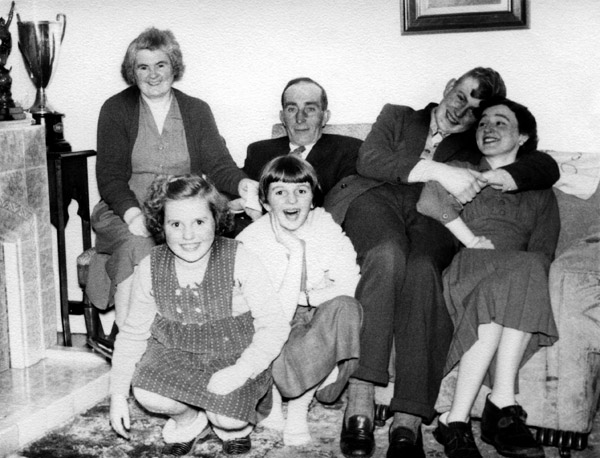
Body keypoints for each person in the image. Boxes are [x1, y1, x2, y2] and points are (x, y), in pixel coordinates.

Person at [324, 68, 560, 458]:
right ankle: (361, 403)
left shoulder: (475, 145)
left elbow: (543, 166)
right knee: (388, 255)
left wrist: (498, 175)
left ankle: (409, 419)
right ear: (449, 87)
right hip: (375, 197)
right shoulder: (399, 115)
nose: (462, 110)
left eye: (474, 109)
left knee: (422, 271)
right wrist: (440, 171)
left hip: (429, 215)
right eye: (461, 96)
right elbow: (371, 159)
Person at [416, 98, 559, 458]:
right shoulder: (460, 169)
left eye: (500, 123)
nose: (488, 129)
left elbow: (544, 250)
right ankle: (502, 406)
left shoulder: (540, 191)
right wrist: (472, 240)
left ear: (523, 137)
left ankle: (458, 420)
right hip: (467, 267)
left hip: (515, 277)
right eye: (482, 124)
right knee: (522, 271)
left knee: (530, 266)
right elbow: (429, 201)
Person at [86, 27, 256, 328]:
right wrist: (133, 214)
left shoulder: (196, 110)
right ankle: (129, 337)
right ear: (133, 72)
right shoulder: (115, 109)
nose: (153, 75)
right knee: (139, 246)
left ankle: (184, 334)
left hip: (181, 212)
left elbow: (218, 165)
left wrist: (244, 185)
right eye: (143, 67)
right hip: (124, 211)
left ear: (173, 66)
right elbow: (110, 177)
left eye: (160, 65)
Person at [109, 174, 290, 456]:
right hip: (176, 352)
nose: (188, 235)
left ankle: (230, 423)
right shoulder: (150, 266)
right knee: (146, 392)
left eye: (199, 222)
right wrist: (118, 395)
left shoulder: (241, 258)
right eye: (176, 224)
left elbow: (274, 325)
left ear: (216, 220)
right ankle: (190, 421)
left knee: (228, 419)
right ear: (161, 225)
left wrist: (241, 370)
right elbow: (133, 334)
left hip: (233, 354)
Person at [236, 155, 362, 446]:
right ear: (266, 203)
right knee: (272, 329)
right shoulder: (252, 239)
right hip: (275, 322)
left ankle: (298, 406)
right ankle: (279, 394)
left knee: (347, 307)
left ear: (312, 198)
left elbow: (351, 283)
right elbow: (275, 314)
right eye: (280, 192)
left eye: (301, 191)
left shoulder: (324, 224)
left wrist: (311, 295)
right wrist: (295, 253)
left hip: (317, 316)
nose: (292, 200)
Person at [243, 77, 362, 199]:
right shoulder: (258, 152)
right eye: (292, 109)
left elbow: (343, 203)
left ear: (325, 117)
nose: (300, 118)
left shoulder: (349, 151)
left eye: (310, 109)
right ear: (282, 117)